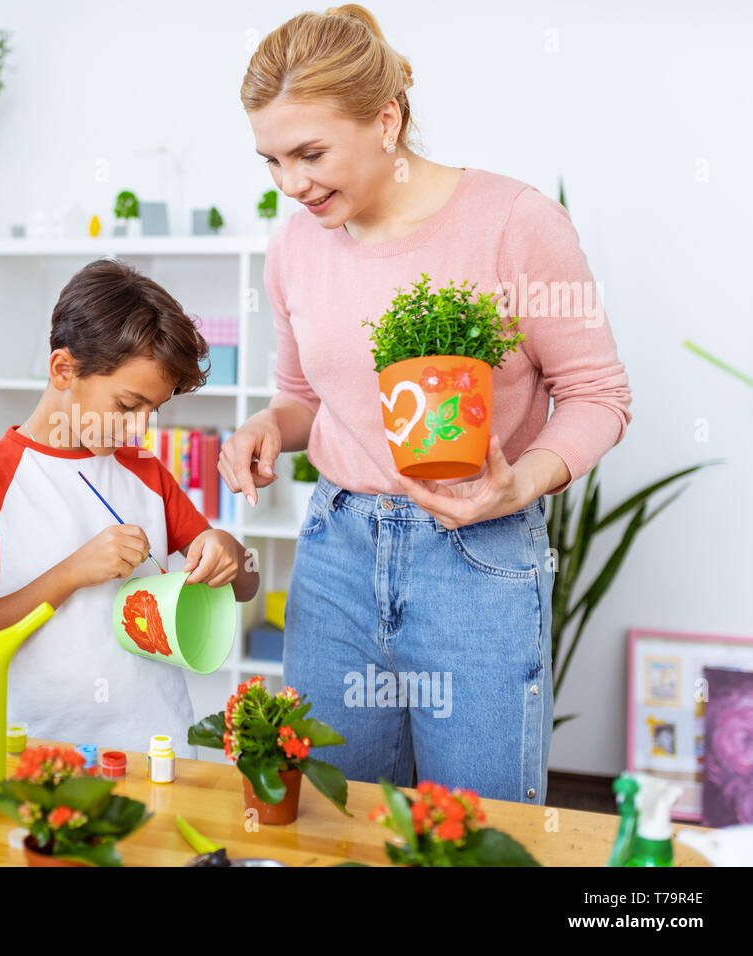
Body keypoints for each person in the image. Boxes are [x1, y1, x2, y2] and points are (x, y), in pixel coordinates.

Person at [220, 6, 631, 803]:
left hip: (478, 555)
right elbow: (305, 396)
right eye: (271, 160)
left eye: (310, 153)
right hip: (337, 551)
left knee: (479, 829)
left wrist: (524, 482)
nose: (292, 183)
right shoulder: (294, 245)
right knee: (333, 820)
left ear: (385, 120)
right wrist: (271, 426)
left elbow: (597, 394)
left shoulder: (514, 223)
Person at [0, 258, 260, 757]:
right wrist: (71, 573)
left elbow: (245, 586)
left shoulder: (144, 470)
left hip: (155, 745)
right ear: (64, 369)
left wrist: (228, 550)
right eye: (127, 406)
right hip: (37, 751)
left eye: (154, 411)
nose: (139, 429)